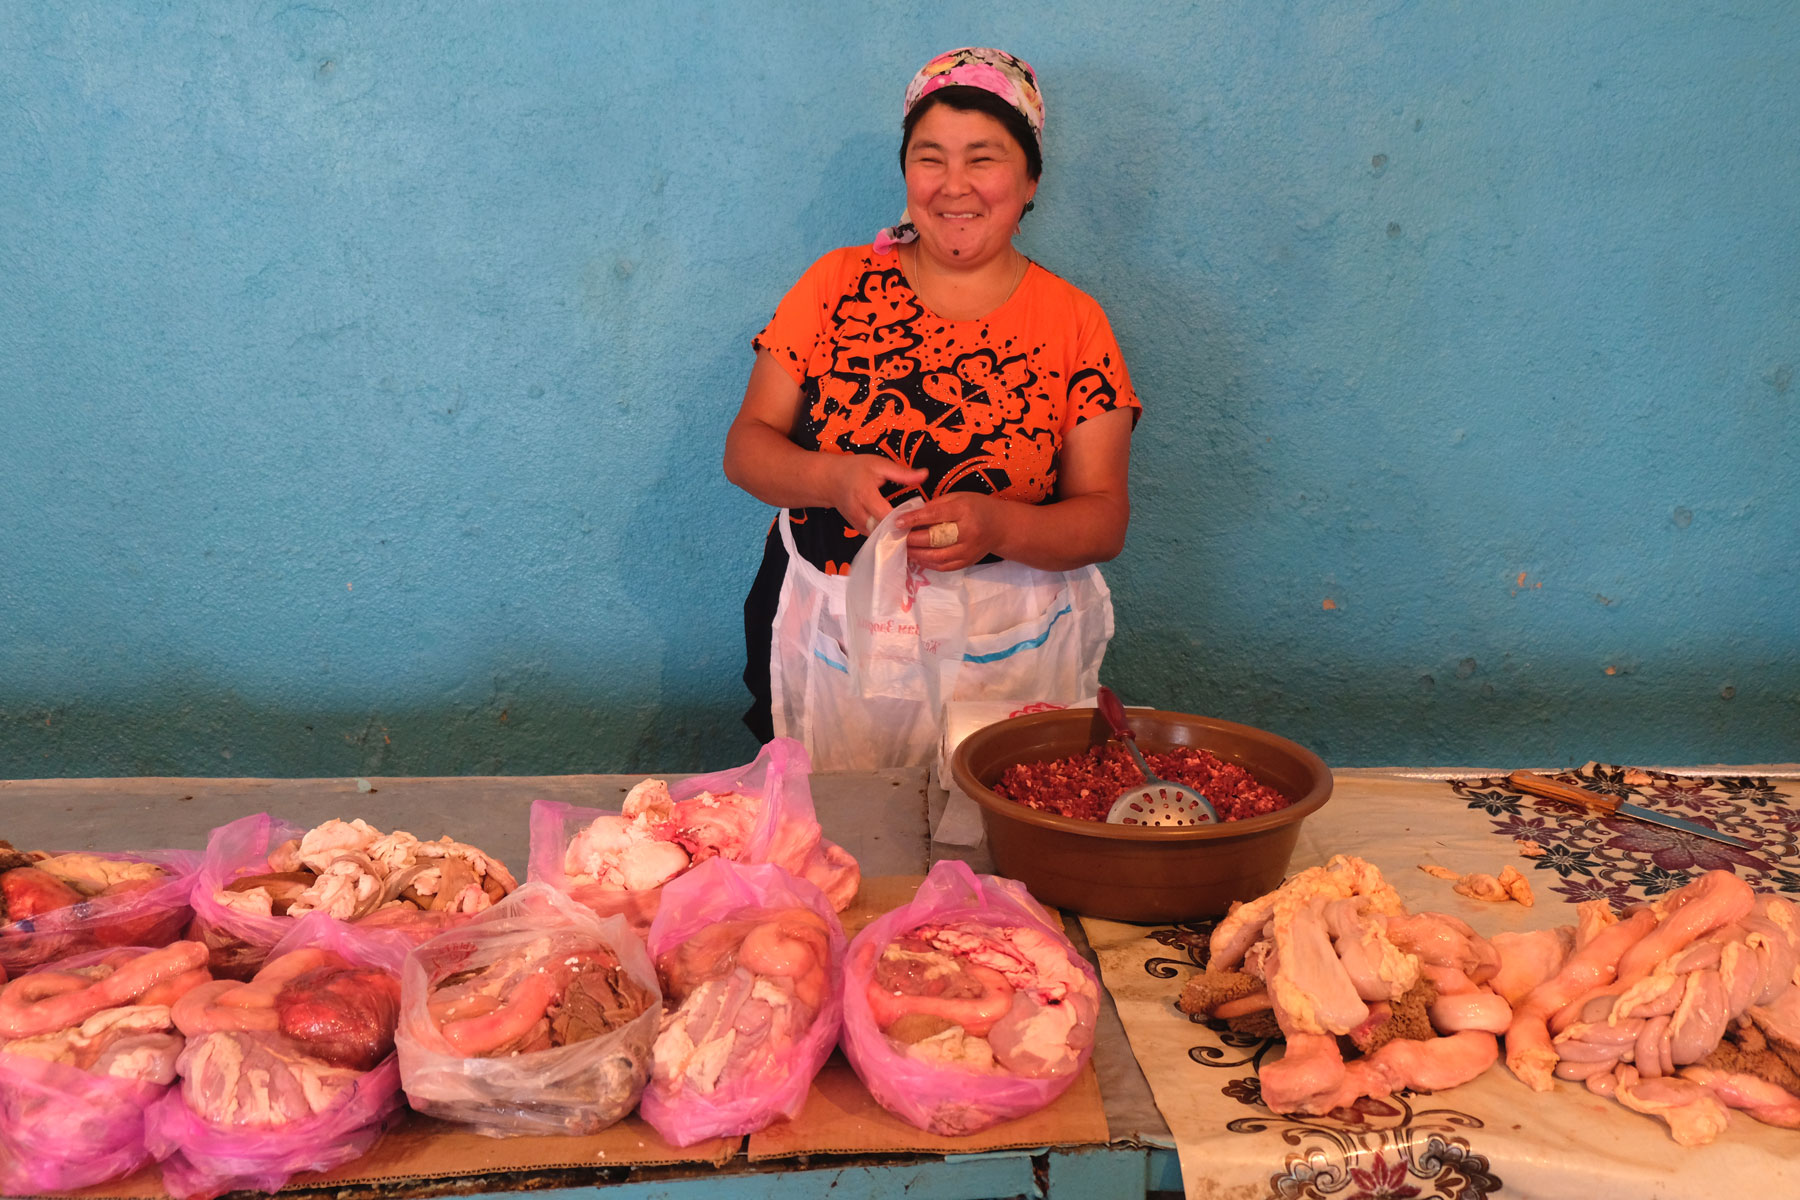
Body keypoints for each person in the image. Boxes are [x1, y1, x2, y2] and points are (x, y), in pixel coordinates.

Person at [724, 47, 1140, 768]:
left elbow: (1104, 518)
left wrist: (997, 524)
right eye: (930, 158)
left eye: (984, 158)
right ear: (906, 172)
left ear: (1031, 177)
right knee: (835, 851)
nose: (955, 187)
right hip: (830, 643)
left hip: (1008, 654)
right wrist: (831, 479)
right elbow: (747, 449)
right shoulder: (835, 285)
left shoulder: (1075, 322)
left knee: (997, 851)